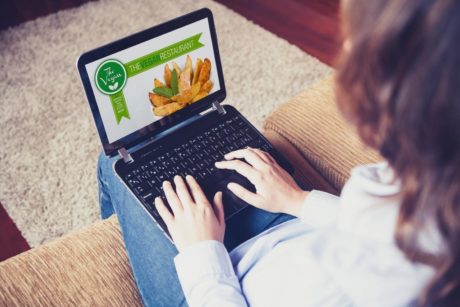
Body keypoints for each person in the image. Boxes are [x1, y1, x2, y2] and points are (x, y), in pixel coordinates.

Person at [97, 0, 460, 306]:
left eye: (356, 44)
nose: (345, 51)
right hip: (291, 227)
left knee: (116, 161)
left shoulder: (380, 288)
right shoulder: (439, 189)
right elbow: (385, 228)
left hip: (216, 285)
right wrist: (299, 201)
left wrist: (202, 252)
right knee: (180, 133)